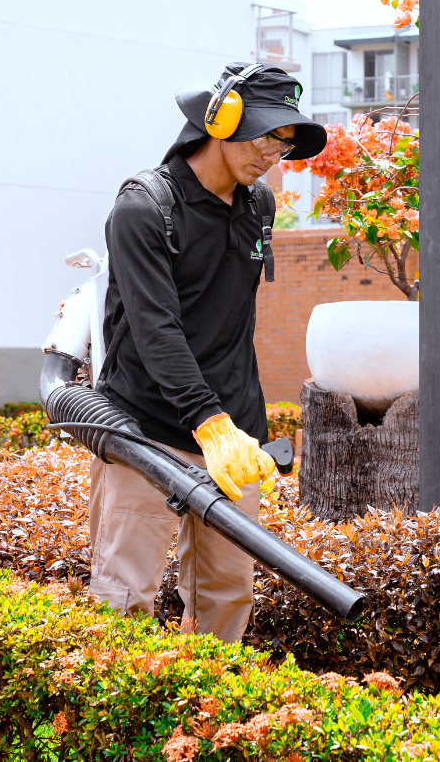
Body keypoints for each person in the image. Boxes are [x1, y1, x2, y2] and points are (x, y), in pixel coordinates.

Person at [90, 63, 327, 642]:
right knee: (125, 596)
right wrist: (207, 420)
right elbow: (156, 329)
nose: (272, 153)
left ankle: (209, 696)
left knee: (227, 593)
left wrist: (234, 426)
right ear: (219, 120)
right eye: (265, 136)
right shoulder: (145, 208)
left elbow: (232, 323)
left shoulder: (258, 205)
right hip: (145, 432)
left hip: (234, 436)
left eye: (283, 142)